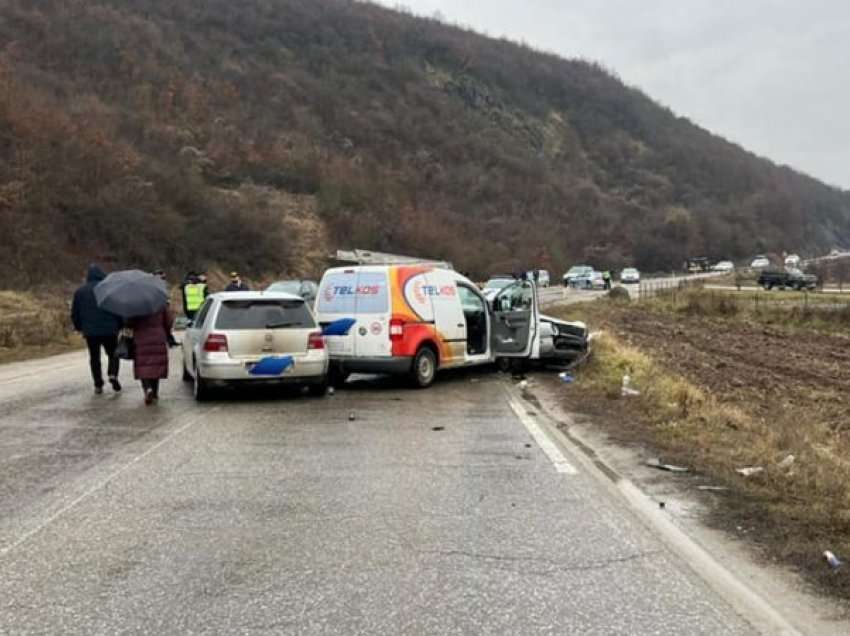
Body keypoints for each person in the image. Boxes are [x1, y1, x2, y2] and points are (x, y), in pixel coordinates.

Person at [71, 264, 123, 394]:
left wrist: (79, 327)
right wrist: (120, 324)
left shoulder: (80, 292)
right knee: (113, 354)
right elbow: (117, 309)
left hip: (90, 331)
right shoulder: (108, 290)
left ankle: (98, 383)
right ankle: (113, 374)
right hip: (109, 329)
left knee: (94, 358)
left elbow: (75, 313)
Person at [127, 306, 175, 405]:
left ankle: (148, 389)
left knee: (143, 366)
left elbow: (129, 323)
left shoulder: (135, 305)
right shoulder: (160, 304)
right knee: (156, 366)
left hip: (141, 337)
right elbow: (169, 321)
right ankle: (155, 392)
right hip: (158, 337)